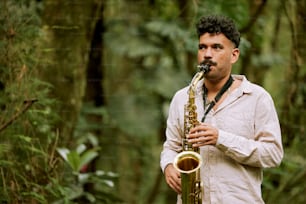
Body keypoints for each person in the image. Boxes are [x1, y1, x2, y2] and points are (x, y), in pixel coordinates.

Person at [160, 15, 283, 204]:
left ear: (234, 55)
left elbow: (273, 154)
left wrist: (221, 139)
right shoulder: (182, 98)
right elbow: (171, 147)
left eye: (216, 47)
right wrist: (168, 165)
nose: (207, 54)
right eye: (203, 47)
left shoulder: (258, 98)